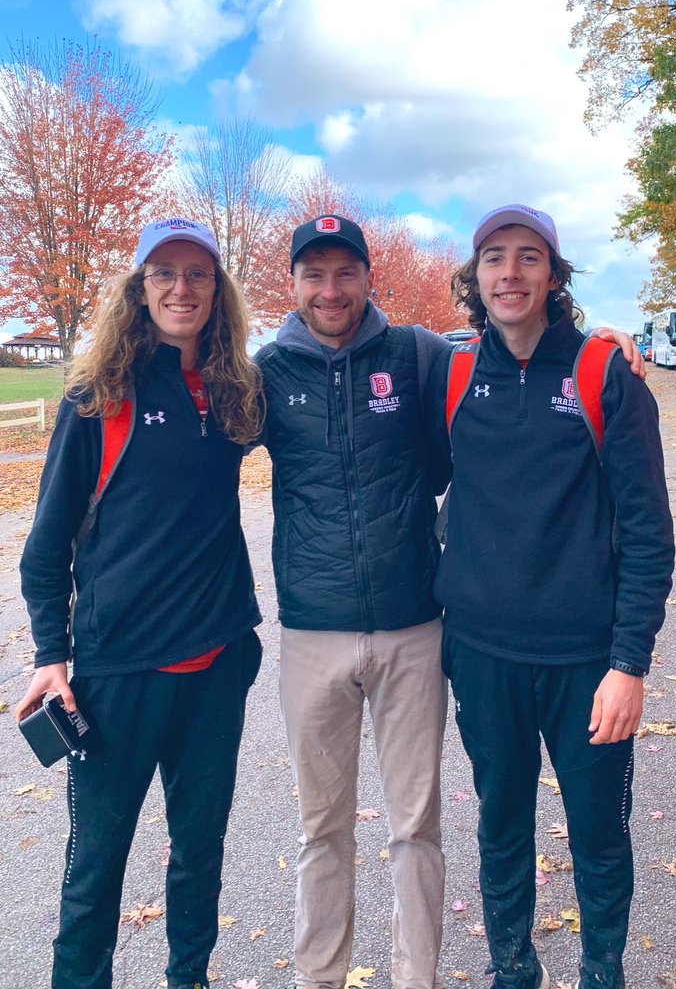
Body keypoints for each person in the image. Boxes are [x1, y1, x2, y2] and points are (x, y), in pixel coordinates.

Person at [254, 214, 645, 989]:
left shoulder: (435, 358)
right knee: (388, 829)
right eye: (313, 274)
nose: (330, 289)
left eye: (527, 258)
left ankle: (536, 974)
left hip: (492, 641)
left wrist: (605, 338)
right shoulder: (281, 373)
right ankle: (428, 973)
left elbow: (641, 525)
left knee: (494, 830)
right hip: (384, 636)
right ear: (293, 285)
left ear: (371, 279)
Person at [16, 217, 264, 989]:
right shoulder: (100, 396)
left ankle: (189, 976)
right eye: (164, 274)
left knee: (200, 856)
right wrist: (50, 655)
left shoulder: (235, 393)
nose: (181, 288)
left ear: (217, 290)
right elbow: (46, 542)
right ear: (140, 288)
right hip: (117, 674)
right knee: (95, 867)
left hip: (216, 665)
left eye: (197, 274)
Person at [437, 204, 675, 989]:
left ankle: (601, 972)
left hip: (585, 663)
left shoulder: (605, 371)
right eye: (494, 258)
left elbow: (647, 532)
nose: (510, 273)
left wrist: (629, 663)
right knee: (501, 828)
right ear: (475, 278)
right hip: (481, 656)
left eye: (529, 257)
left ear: (554, 274)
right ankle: (514, 971)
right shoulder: (455, 372)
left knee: (599, 835)